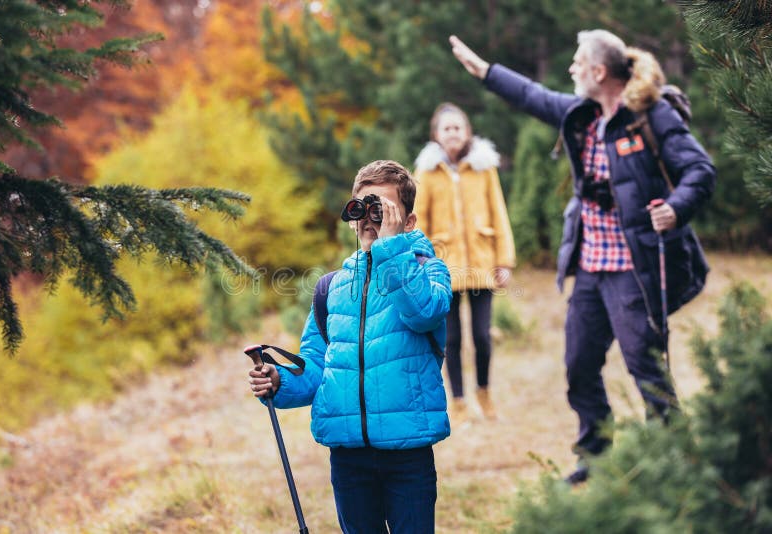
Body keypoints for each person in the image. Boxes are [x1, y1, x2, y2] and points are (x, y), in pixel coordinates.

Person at [449, 30, 715, 483]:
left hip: (634, 268)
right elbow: (533, 96)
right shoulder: (581, 114)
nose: (570, 69)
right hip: (591, 266)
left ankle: (673, 457)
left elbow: (699, 170)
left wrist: (675, 207)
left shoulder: (651, 115)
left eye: (577, 62)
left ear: (599, 72)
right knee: (578, 365)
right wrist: (486, 72)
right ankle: (596, 455)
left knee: (644, 366)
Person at [248, 160, 452, 533]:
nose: (369, 220)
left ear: (408, 222)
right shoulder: (332, 287)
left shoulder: (429, 271)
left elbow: (422, 312)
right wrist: (281, 382)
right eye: (362, 209)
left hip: (407, 452)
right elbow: (317, 365)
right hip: (349, 457)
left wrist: (391, 250)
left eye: (382, 210)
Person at [413, 102, 516, 425]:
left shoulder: (484, 168)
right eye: (447, 128)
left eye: (458, 127)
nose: (453, 133)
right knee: (452, 339)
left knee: (483, 336)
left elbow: (498, 212)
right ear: (436, 135)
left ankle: (483, 392)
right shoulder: (427, 173)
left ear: (467, 132)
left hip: (482, 264)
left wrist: (504, 260)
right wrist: (422, 261)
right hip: (444, 268)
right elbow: (419, 220)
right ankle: (457, 401)